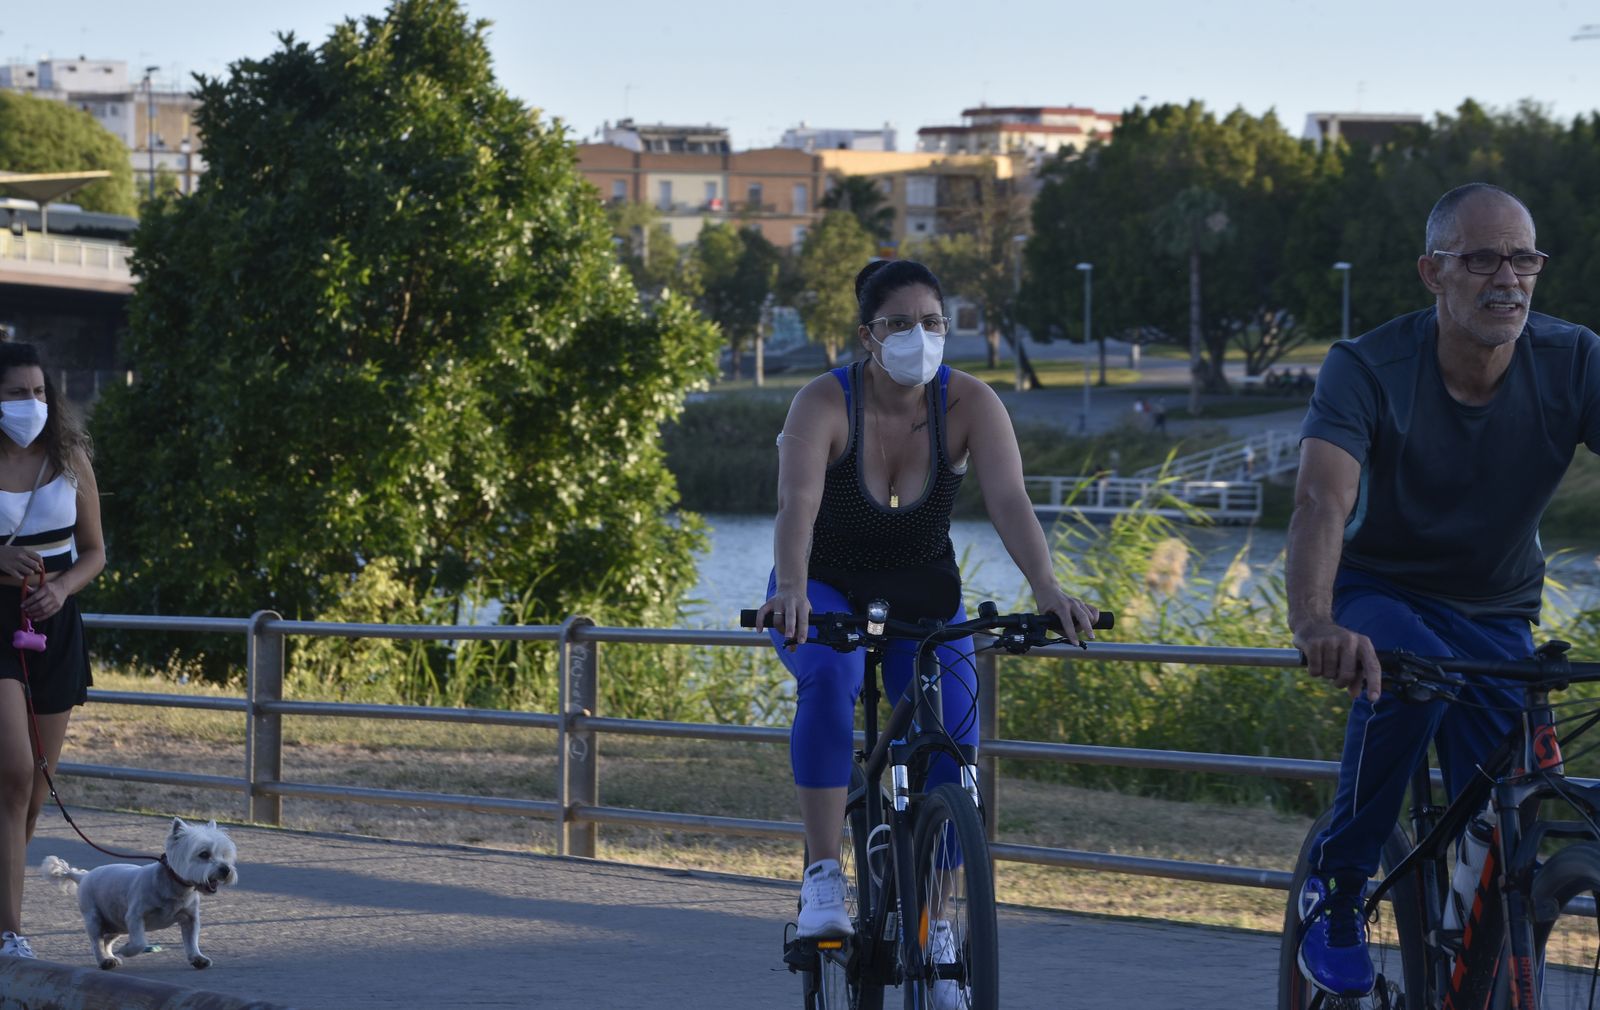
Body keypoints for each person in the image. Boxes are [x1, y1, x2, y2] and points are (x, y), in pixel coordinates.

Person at [1288, 182, 1600, 998]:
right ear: (1433, 272)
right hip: (1380, 592)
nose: (1509, 278)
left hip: (1499, 611)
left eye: (1524, 257)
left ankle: (1476, 941)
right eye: (1482, 259)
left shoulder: (1574, 360)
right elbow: (1323, 499)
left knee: (1513, 807)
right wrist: (1316, 619)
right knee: (1408, 669)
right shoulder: (1367, 367)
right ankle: (1342, 885)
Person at [753, 259, 1099, 948]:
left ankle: (935, 924)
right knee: (830, 680)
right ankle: (824, 876)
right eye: (902, 323)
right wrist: (791, 588)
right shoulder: (823, 403)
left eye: (934, 322)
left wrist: (1049, 589)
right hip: (821, 584)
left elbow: (1009, 501)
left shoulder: (971, 403)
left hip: (923, 592)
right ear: (867, 336)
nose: (921, 335)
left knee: (953, 733)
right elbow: (797, 505)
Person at [0, 340, 105, 960]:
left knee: (34, 790)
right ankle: (10, 932)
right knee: (11, 776)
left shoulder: (70, 457)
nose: (31, 403)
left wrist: (62, 587)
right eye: (16, 392)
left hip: (53, 623)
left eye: (39, 392)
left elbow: (94, 551)